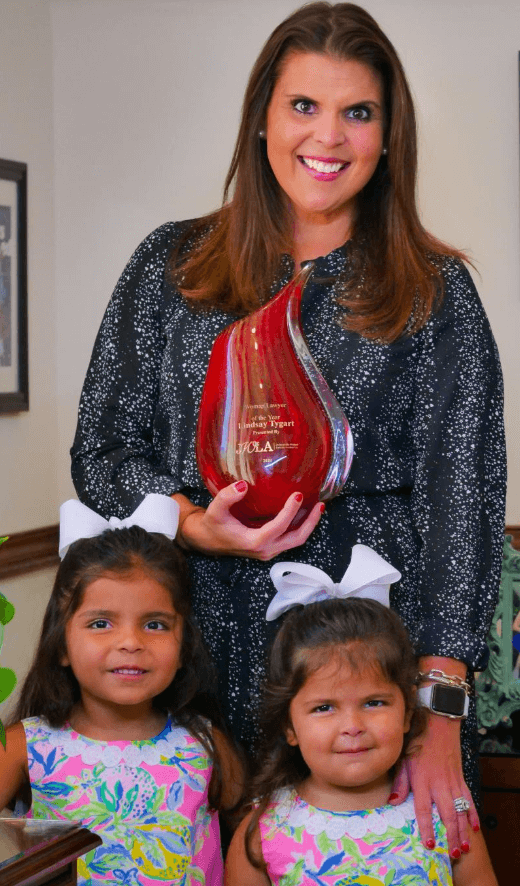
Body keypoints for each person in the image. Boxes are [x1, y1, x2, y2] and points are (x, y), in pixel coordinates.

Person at [70, 0, 506, 859]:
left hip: (367, 676)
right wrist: (192, 522)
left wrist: (438, 712)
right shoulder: (172, 267)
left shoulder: (434, 292)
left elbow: (466, 510)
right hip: (191, 662)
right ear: (262, 117)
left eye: (359, 112)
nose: (329, 138)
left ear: (388, 136)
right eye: (305, 106)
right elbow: (100, 450)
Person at [0, 494, 242, 886]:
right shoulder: (23, 746)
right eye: (100, 624)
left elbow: (256, 843)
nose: (130, 642)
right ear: (60, 643)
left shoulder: (205, 744)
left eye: (155, 624)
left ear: (184, 646)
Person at [225, 553, 498, 885]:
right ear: (288, 725)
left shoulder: (445, 818)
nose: (352, 726)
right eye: (324, 707)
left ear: (408, 712)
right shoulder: (261, 833)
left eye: (373, 702)